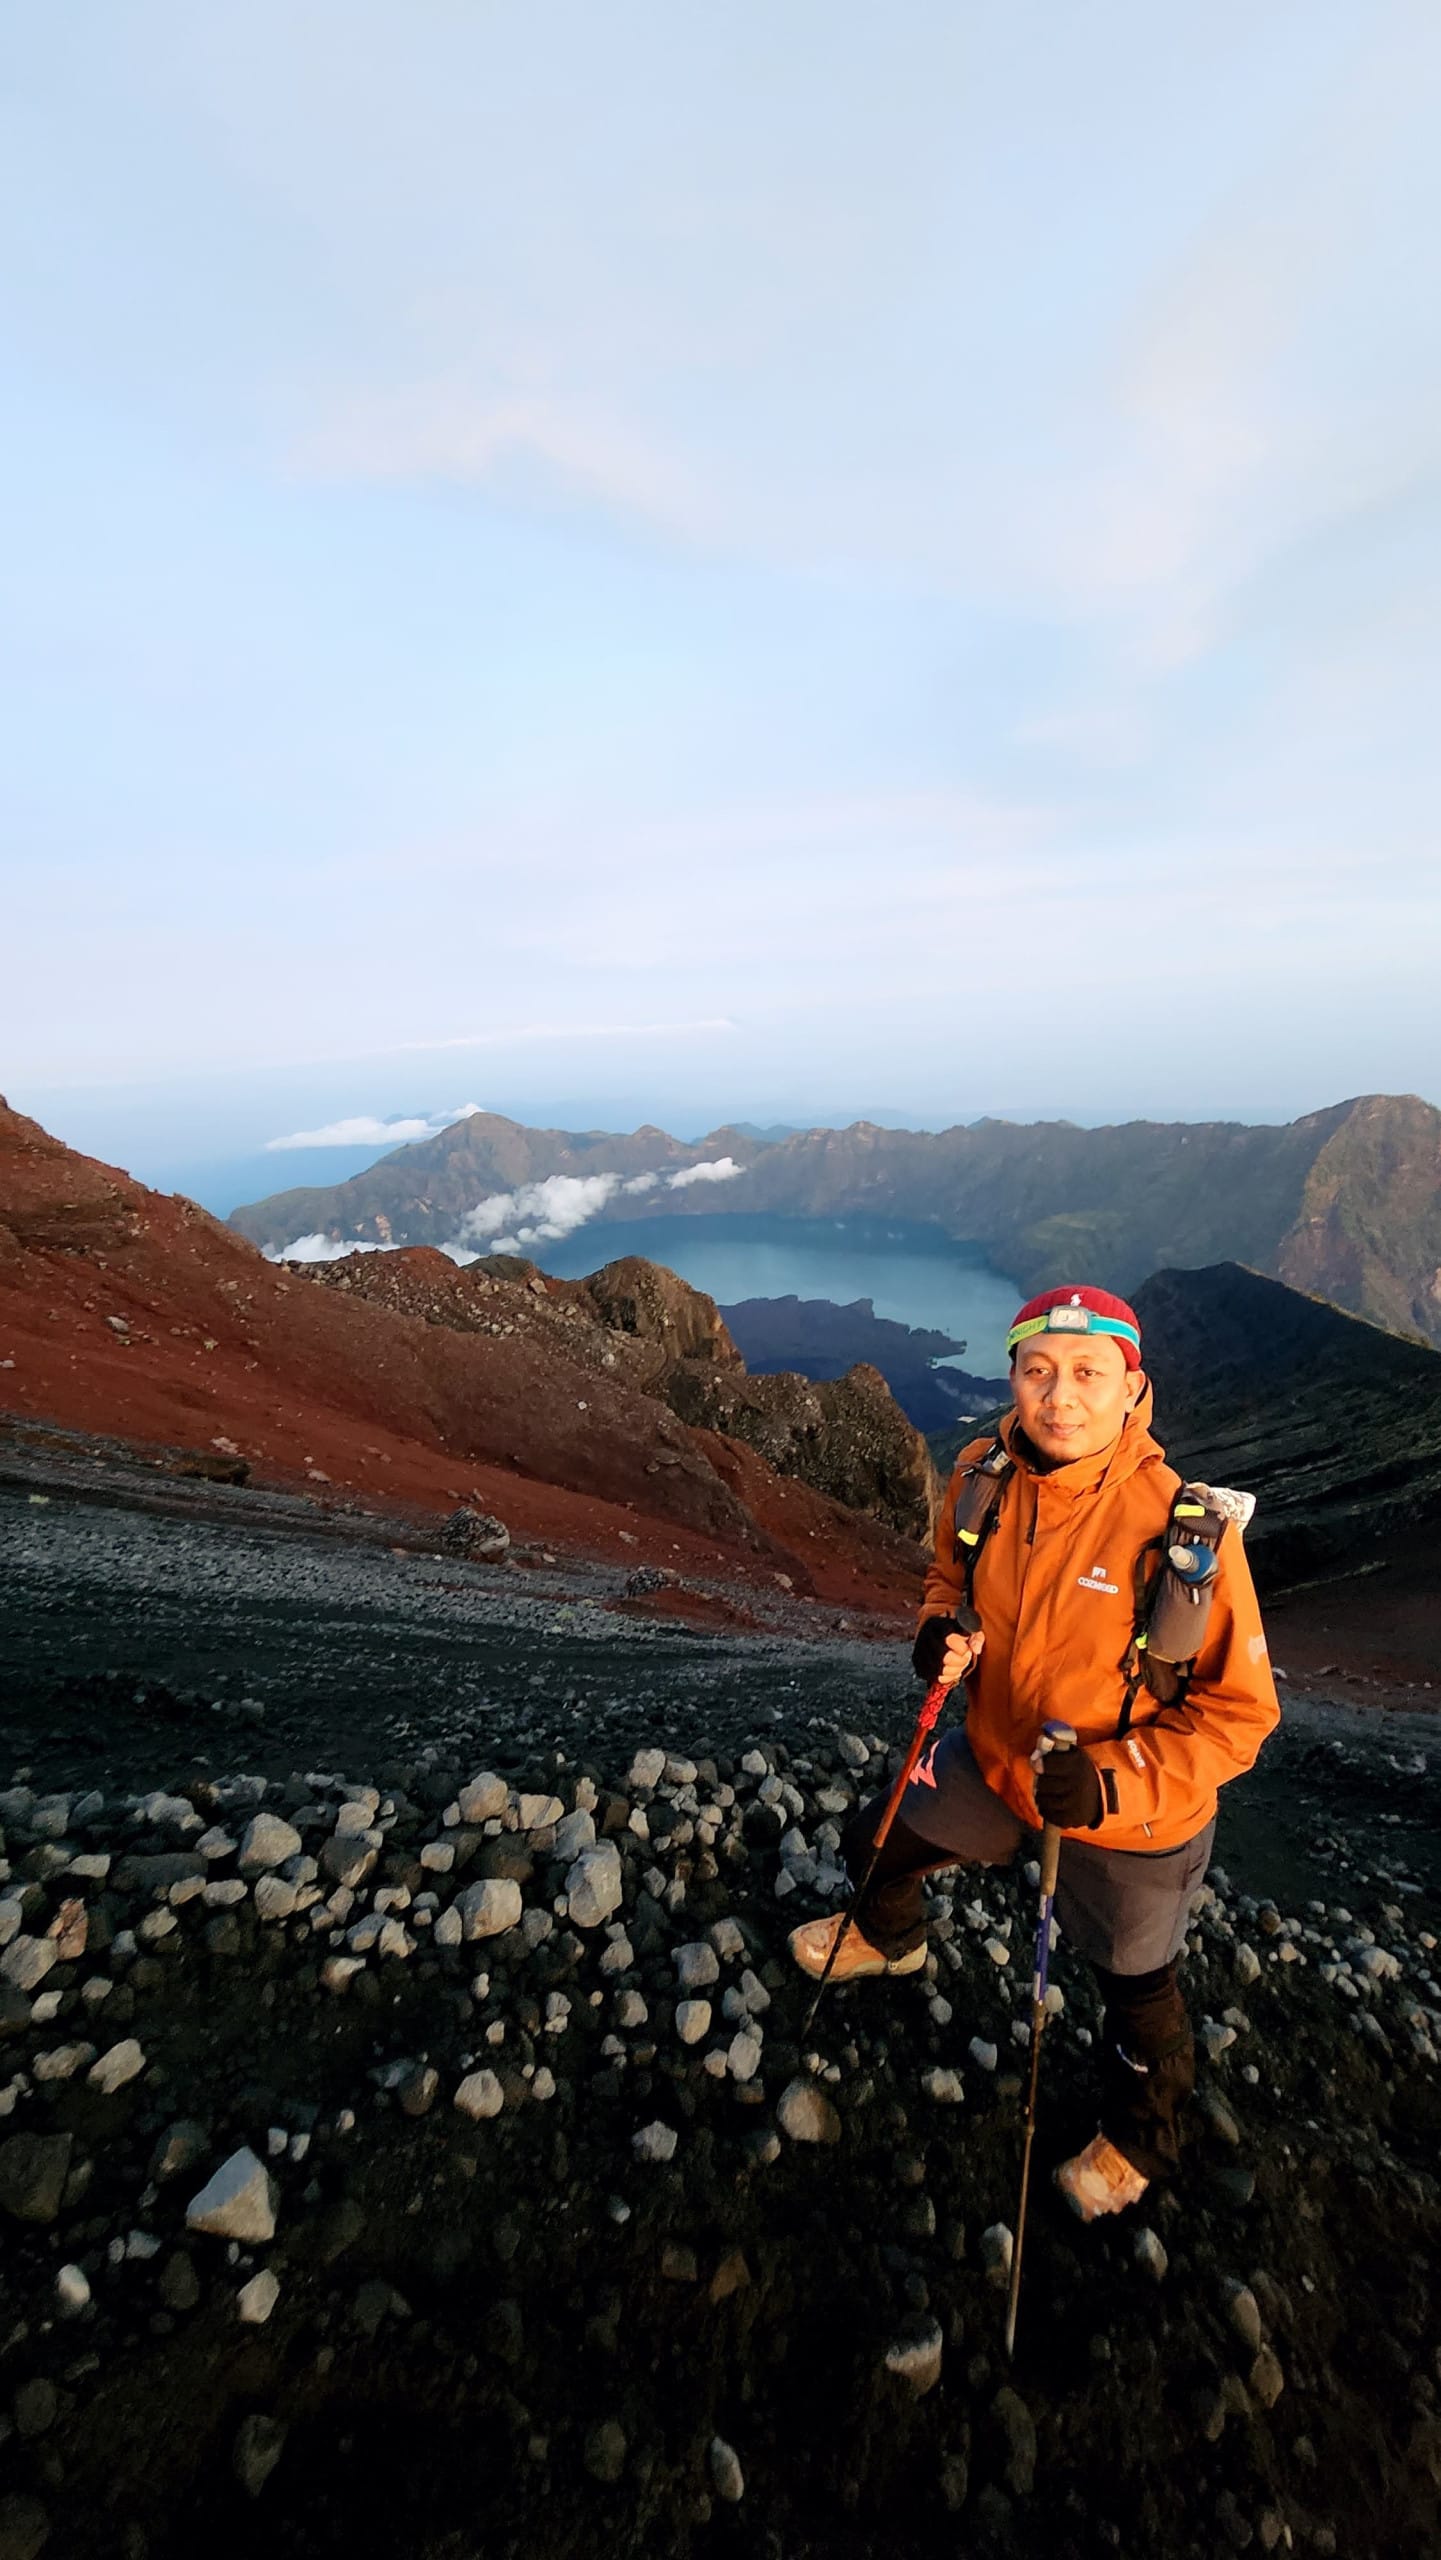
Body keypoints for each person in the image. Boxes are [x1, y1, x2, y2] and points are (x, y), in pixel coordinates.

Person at [788, 1283, 1280, 2219]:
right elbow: (947, 1577)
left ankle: (1144, 2132)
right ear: (1012, 1376)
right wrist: (938, 1634)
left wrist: (1108, 1783)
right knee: (878, 1841)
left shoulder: (1185, 1535)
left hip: (1128, 1813)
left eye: (1089, 1373)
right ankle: (889, 1939)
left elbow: (1237, 1716)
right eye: (1038, 1370)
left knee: (1138, 1994)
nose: (1060, 1396)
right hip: (997, 1755)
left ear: (1132, 1388)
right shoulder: (983, 1475)